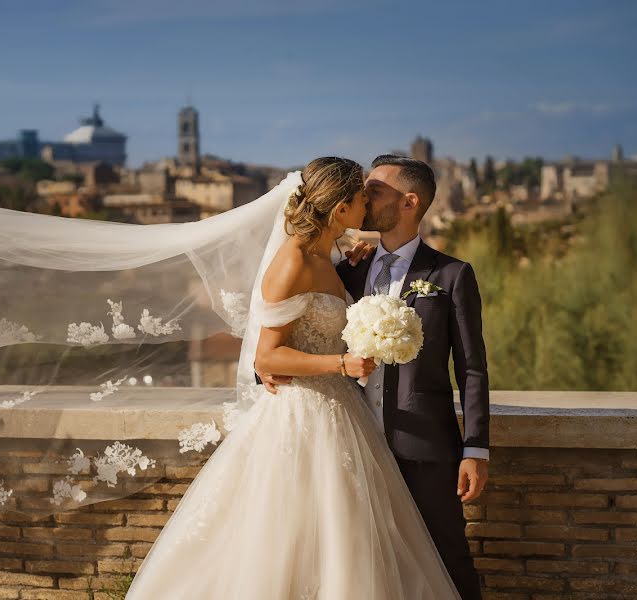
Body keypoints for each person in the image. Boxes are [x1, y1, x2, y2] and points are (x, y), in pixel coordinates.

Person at [125, 157, 461, 599]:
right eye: (363, 199)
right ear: (340, 208)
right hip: (302, 414)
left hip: (341, 412)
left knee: (347, 536)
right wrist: (339, 366)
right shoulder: (294, 261)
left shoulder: (333, 256)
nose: (367, 208)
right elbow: (267, 356)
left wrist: (352, 254)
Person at [258, 155, 490, 600]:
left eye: (376, 190)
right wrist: (265, 369)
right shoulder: (346, 268)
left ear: (410, 202)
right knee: (358, 566)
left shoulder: (451, 275)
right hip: (345, 444)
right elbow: (293, 330)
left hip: (423, 446)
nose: (365, 197)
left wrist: (475, 448)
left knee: (446, 559)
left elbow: (472, 369)